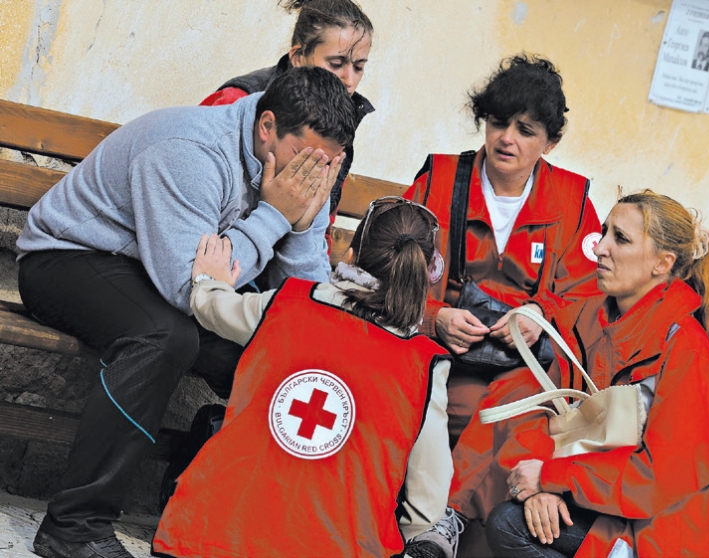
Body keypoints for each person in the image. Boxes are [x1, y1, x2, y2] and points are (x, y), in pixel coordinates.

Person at [16, 66, 355, 558]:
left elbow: (301, 294)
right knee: (165, 337)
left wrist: (300, 227)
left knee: (290, 355)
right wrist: (275, 217)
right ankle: (74, 528)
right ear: (267, 128)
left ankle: (207, 509)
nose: (310, 177)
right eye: (304, 159)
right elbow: (189, 287)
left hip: (153, 274)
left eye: (325, 166)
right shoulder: (188, 149)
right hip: (68, 257)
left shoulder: (308, 168)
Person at [152, 197, 452, 557]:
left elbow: (213, 308)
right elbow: (425, 507)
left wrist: (207, 282)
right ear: (424, 274)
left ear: (352, 254)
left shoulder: (286, 303)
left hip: (205, 540)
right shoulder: (425, 365)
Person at [475, 190, 709, 557]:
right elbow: (548, 413)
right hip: (607, 505)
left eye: (620, 238)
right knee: (512, 515)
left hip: (660, 535)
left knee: (511, 526)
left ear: (662, 263)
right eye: (604, 232)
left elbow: (657, 480)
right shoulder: (590, 321)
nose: (600, 248)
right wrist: (541, 488)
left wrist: (553, 478)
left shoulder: (691, 357)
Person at [403, 54, 601, 446]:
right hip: (439, 359)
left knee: (516, 418)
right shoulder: (438, 182)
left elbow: (590, 292)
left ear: (551, 142)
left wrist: (541, 313)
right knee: (463, 413)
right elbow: (385, 269)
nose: (506, 138)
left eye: (525, 130)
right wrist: (434, 318)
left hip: (531, 371)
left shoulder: (572, 201)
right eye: (497, 122)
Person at [201, 0, 375, 252]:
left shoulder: (342, 120)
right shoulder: (235, 102)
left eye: (359, 67)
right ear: (298, 57)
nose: (349, 80)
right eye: (336, 64)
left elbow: (321, 225)